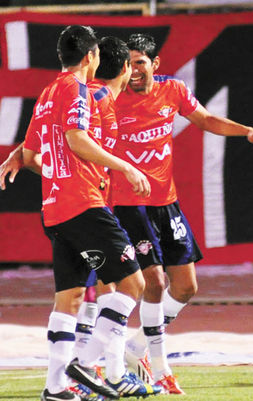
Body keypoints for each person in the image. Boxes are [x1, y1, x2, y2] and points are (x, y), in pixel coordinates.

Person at [110, 33, 253, 394]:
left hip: (166, 202)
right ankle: (161, 368)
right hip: (127, 203)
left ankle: (136, 346)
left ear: (155, 64)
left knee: (185, 287)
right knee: (154, 283)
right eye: (127, 63)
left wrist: (247, 132)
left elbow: (206, 119)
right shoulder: (109, 95)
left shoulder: (173, 90)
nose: (133, 70)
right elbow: (69, 127)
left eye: (140, 62)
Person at [21, 25, 156, 401]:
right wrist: (126, 168)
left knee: (70, 299)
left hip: (55, 207)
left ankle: (56, 387)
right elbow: (76, 139)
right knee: (133, 284)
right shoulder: (76, 89)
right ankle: (84, 362)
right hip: (82, 203)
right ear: (89, 57)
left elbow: (33, 156)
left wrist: (26, 162)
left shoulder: (48, 92)